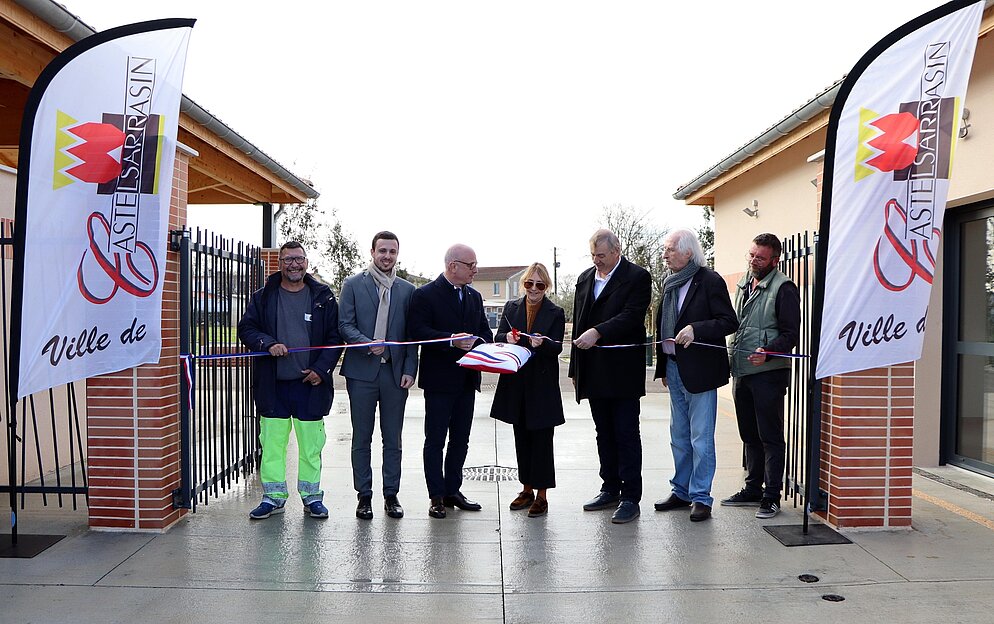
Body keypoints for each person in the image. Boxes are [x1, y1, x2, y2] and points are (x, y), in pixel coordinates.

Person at [238, 241, 343, 520]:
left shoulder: (323, 296)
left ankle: (311, 497)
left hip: (311, 386)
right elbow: (246, 329)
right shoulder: (263, 297)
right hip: (273, 386)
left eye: (298, 259)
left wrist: (321, 371)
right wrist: (267, 342)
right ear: (280, 263)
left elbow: (334, 339)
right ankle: (273, 497)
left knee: (311, 447)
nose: (293, 264)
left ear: (306, 262)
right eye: (287, 260)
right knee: (272, 446)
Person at [653, 228, 738, 523]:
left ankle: (701, 496)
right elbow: (661, 329)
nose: (665, 254)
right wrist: (663, 367)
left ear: (688, 252)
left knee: (701, 438)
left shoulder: (709, 280)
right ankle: (681, 492)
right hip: (675, 369)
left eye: (670, 249)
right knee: (679, 436)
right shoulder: (669, 284)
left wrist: (696, 329)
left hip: (701, 372)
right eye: (665, 249)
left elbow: (729, 321)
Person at [569, 229, 651, 524]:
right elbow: (579, 323)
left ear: (617, 251)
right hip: (593, 370)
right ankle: (610, 488)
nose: (596, 261)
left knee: (626, 433)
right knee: (603, 433)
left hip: (622, 371)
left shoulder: (637, 277)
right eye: (592, 255)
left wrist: (599, 332)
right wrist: (575, 369)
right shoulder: (584, 278)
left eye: (601, 255)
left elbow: (631, 316)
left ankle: (630, 497)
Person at [408, 244, 494, 519]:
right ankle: (436, 496)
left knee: (461, 440)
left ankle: (452, 490)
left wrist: (488, 347)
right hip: (439, 381)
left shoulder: (474, 297)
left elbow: (483, 331)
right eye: (471, 265)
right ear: (452, 265)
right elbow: (417, 331)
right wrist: (451, 340)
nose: (475, 270)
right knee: (435, 440)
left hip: (467, 381)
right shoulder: (425, 295)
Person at [339, 231, 419, 520]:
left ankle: (391, 494)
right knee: (362, 437)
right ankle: (364, 496)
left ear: (397, 254)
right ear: (372, 252)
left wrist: (410, 369)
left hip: (395, 375)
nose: (387, 256)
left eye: (392, 252)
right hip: (361, 373)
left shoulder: (407, 290)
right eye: (382, 251)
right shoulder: (352, 285)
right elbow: (344, 325)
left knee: (393, 438)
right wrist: (365, 342)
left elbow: (412, 336)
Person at [721, 233, 800, 520]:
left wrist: (768, 351)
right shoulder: (745, 281)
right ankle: (753, 488)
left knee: (770, 436)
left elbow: (791, 334)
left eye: (760, 257)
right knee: (749, 434)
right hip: (742, 371)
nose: (754, 260)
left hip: (768, 373)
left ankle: (772, 496)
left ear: (775, 260)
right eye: (751, 254)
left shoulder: (784, 288)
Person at [490, 263, 566, 518]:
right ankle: (526, 489)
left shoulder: (555, 312)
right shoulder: (511, 307)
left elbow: (556, 348)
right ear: (523, 284)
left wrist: (542, 344)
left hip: (542, 387)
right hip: (516, 384)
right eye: (529, 284)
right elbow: (498, 337)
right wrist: (507, 339)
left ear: (547, 287)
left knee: (542, 442)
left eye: (540, 285)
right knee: (521, 439)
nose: (534, 289)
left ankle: (542, 495)